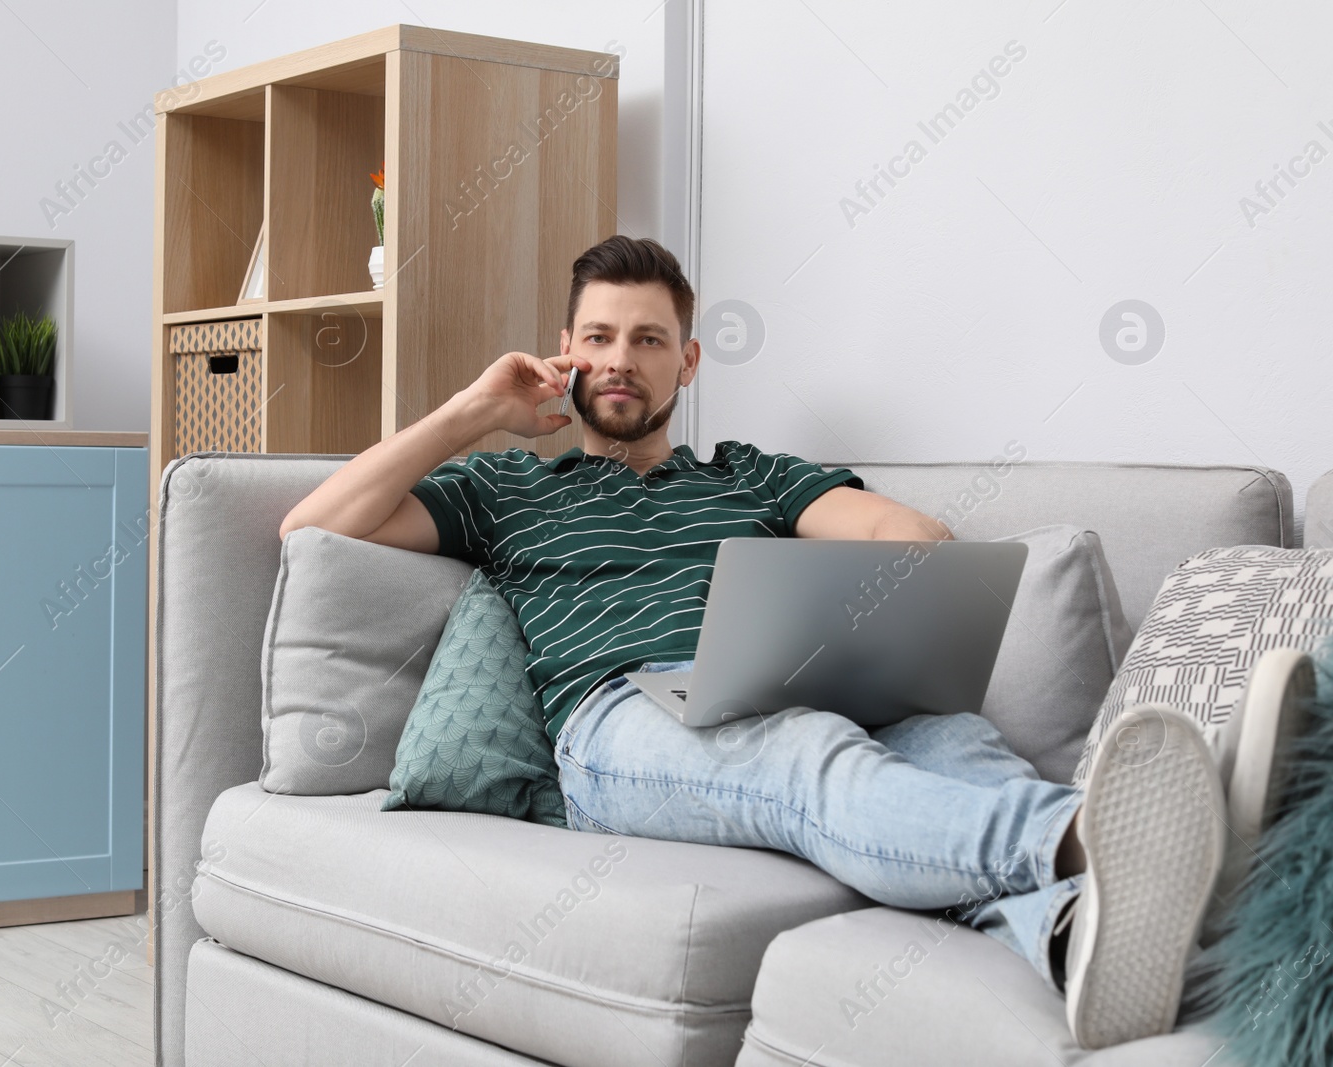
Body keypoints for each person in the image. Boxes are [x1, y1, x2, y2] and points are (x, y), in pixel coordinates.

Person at [279, 234, 1235, 1050]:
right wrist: (473, 414)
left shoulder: (752, 476)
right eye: (601, 337)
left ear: (686, 363)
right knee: (808, 756)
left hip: (791, 687)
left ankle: (1075, 935)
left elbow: (911, 541)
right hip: (619, 721)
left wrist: (859, 620)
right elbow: (313, 528)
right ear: (564, 353)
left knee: (963, 747)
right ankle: (1102, 843)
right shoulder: (509, 490)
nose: (622, 358)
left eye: (649, 339)